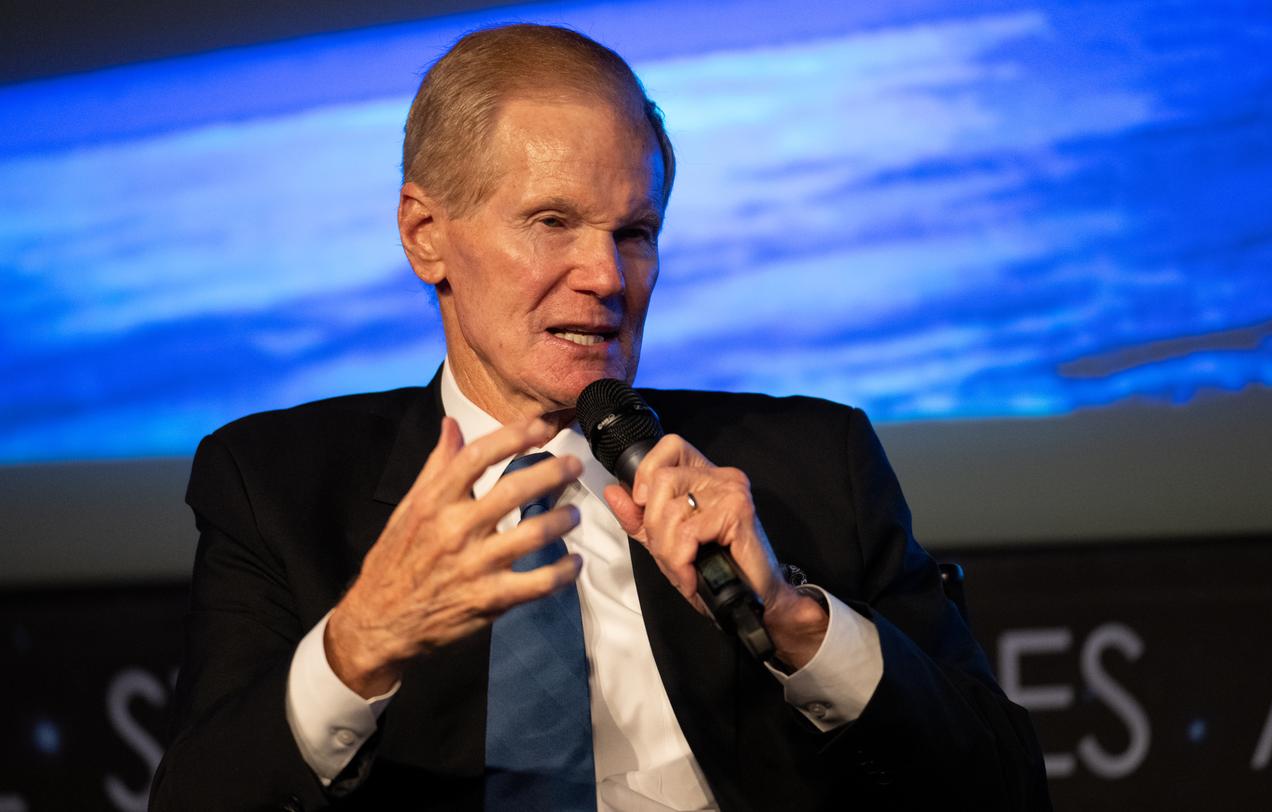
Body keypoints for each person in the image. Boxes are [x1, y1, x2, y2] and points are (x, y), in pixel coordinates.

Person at [151, 23, 1050, 812]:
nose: (607, 278)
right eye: (551, 221)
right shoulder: (276, 485)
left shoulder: (815, 463)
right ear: (425, 234)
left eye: (635, 233)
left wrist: (794, 622)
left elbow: (1006, 789)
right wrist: (358, 645)